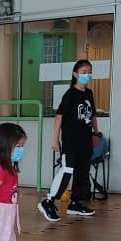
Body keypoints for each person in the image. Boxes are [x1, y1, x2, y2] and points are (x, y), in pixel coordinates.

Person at [38, 60, 98, 221]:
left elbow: (92, 115)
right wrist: (55, 140)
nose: (87, 74)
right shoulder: (70, 94)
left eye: (89, 71)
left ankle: (75, 203)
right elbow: (59, 117)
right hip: (71, 141)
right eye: (84, 72)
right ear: (75, 74)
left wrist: (95, 133)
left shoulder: (89, 93)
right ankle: (48, 201)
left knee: (82, 172)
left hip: (86, 141)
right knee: (67, 170)